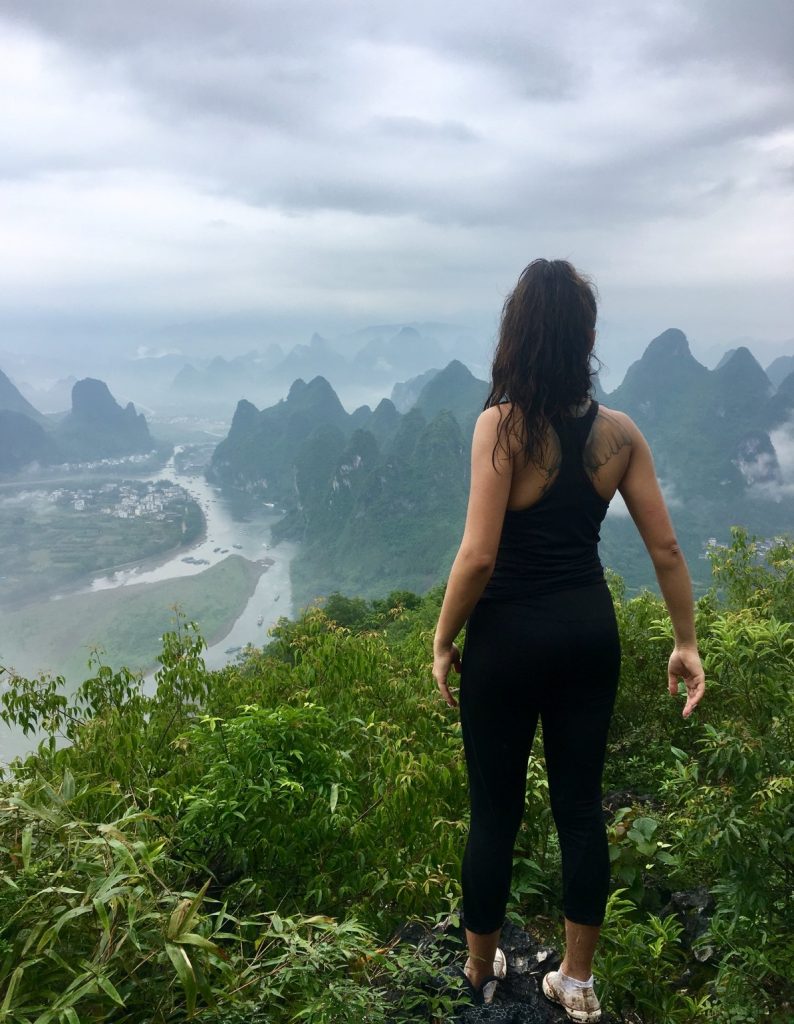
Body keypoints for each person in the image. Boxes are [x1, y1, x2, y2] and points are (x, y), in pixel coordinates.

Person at [431, 258, 706, 1020]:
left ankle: (480, 968)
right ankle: (577, 983)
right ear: (585, 337)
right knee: (579, 807)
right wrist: (686, 642)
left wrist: (443, 637)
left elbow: (479, 554)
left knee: (495, 810)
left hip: (508, 640)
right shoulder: (619, 435)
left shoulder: (503, 425)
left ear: (515, 335)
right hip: (589, 633)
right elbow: (668, 550)